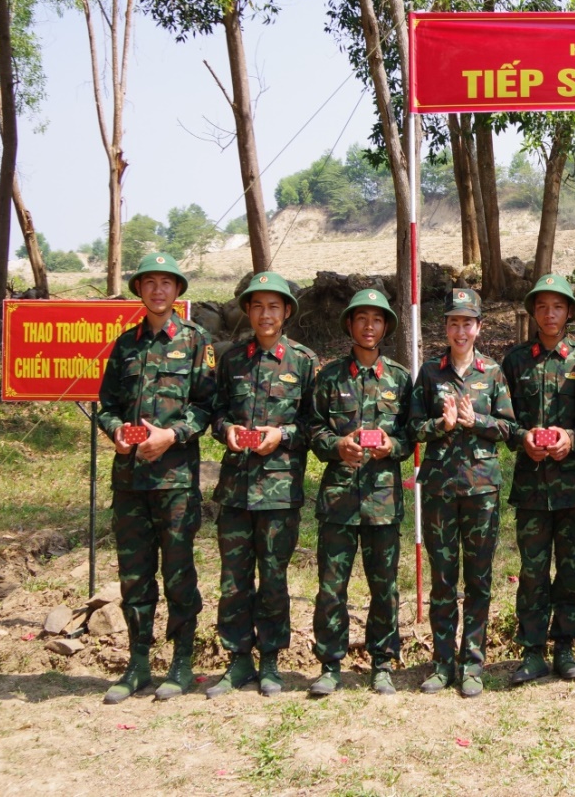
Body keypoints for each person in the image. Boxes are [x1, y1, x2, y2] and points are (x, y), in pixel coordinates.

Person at [96, 254, 215, 704]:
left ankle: (181, 662)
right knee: (134, 575)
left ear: (178, 290)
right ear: (140, 290)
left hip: (176, 481)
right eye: (150, 283)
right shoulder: (125, 345)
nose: (158, 290)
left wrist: (172, 435)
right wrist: (115, 432)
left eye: (167, 282)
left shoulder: (196, 341)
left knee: (179, 574)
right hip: (130, 481)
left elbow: (206, 407)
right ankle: (138, 662)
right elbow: (107, 405)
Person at [206, 272, 318, 699]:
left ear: (286, 312)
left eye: (273, 306)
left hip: (279, 491)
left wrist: (282, 434)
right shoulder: (232, 359)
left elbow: (314, 424)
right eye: (257, 306)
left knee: (273, 578)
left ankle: (270, 659)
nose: (265, 314)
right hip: (235, 489)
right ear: (248, 312)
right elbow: (216, 412)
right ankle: (237, 660)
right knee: (234, 579)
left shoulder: (303, 361)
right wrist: (227, 430)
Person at [306, 288, 412, 697]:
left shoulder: (399, 378)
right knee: (332, 586)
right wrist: (337, 446)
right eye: (362, 318)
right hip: (339, 500)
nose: (369, 326)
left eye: (377, 319)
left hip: (382, 500)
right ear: (349, 324)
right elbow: (314, 429)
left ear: (386, 327)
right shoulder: (330, 377)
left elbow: (411, 434)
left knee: (384, 586)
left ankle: (382, 663)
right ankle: (330, 664)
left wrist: (392, 446)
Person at [410, 287, 514, 697]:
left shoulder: (493, 372)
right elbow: (412, 428)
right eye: (454, 323)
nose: (460, 331)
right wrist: (443, 425)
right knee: (442, 580)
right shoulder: (429, 373)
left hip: (481, 490)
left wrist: (477, 421)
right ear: (446, 327)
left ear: (479, 328)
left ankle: (472, 663)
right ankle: (442, 664)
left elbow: (509, 429)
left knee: (479, 579)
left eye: (467, 323)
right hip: (440, 490)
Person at [501, 274, 575, 686]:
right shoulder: (516, 361)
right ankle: (533, 651)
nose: (550, 314)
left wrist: (572, 438)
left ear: (569, 312)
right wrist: (523, 438)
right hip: (532, 487)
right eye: (542, 307)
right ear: (533, 313)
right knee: (533, 572)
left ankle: (567, 648)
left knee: (573, 569)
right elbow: (502, 420)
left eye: (557, 307)